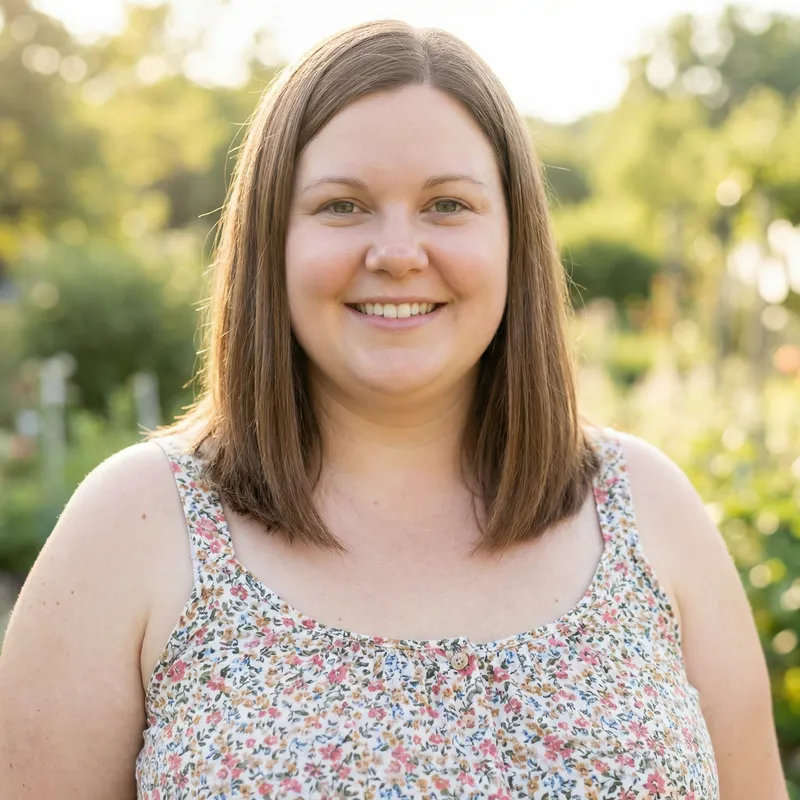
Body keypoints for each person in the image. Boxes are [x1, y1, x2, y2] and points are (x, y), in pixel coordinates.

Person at [0, 19, 788, 800]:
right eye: (343, 206)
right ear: (270, 240)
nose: (398, 251)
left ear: (517, 238)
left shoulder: (647, 509)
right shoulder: (133, 526)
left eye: (448, 205)